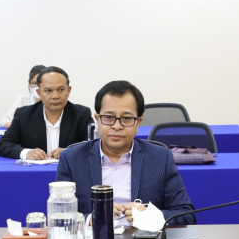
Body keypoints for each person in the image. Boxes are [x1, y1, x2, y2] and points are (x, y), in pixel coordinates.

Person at [56, 80, 195, 226]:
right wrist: (92, 219)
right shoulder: (72, 159)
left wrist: (151, 216)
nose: (117, 126)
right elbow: (58, 216)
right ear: (97, 120)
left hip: (143, 238)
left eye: (126, 119)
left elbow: (186, 215)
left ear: (138, 123)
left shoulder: (160, 157)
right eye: (108, 117)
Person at [0, 66, 92, 160]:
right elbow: (2, 145)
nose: (55, 96)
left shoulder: (82, 114)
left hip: (69, 170)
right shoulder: (24, 115)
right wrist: (27, 153)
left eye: (61, 90)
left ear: (69, 90)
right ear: (39, 93)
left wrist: (70, 152)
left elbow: (93, 144)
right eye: (48, 91)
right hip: (35, 170)